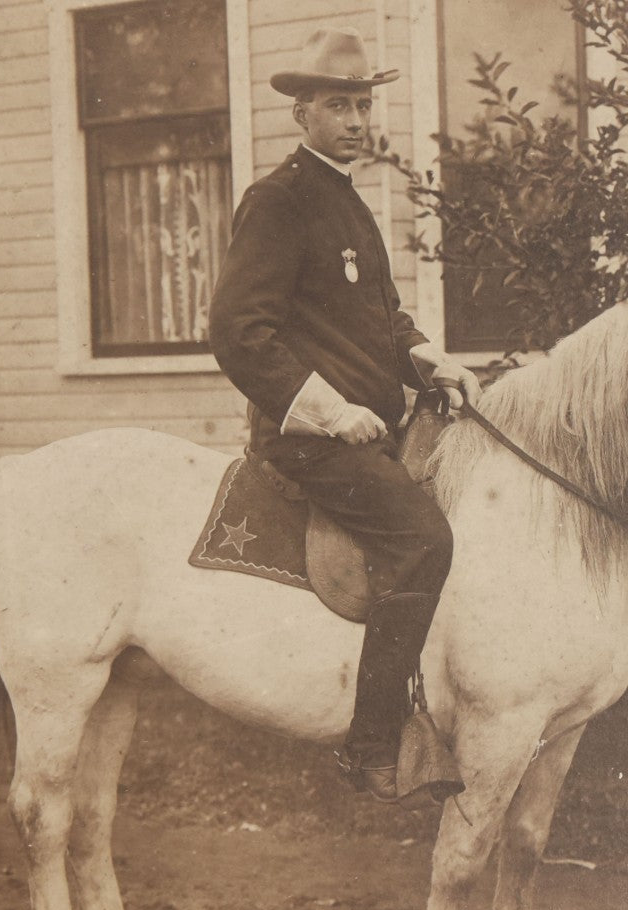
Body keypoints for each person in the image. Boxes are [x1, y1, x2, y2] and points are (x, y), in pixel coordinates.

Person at [208, 27, 480, 805]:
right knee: (424, 537)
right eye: (338, 104)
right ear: (302, 114)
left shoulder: (350, 202)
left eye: (363, 103)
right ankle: (372, 745)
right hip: (308, 442)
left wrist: (435, 363)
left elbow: (384, 321)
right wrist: (327, 413)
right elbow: (237, 331)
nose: (356, 119)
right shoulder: (279, 200)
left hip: (373, 427)